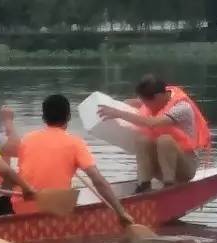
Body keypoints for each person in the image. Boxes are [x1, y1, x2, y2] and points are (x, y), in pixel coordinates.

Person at [18, 94, 133, 226]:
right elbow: (97, 180)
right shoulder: (75, 143)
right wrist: (121, 212)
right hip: (54, 209)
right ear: (68, 117)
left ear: (43, 117)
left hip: (20, 207)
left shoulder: (26, 139)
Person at [97, 75, 211, 192]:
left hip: (184, 167)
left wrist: (118, 113)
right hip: (161, 164)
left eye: (146, 103)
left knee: (165, 140)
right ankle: (144, 184)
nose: (145, 106)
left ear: (158, 96)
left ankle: (168, 185)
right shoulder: (154, 99)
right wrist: (112, 106)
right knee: (142, 140)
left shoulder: (182, 108)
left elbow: (152, 123)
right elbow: (129, 102)